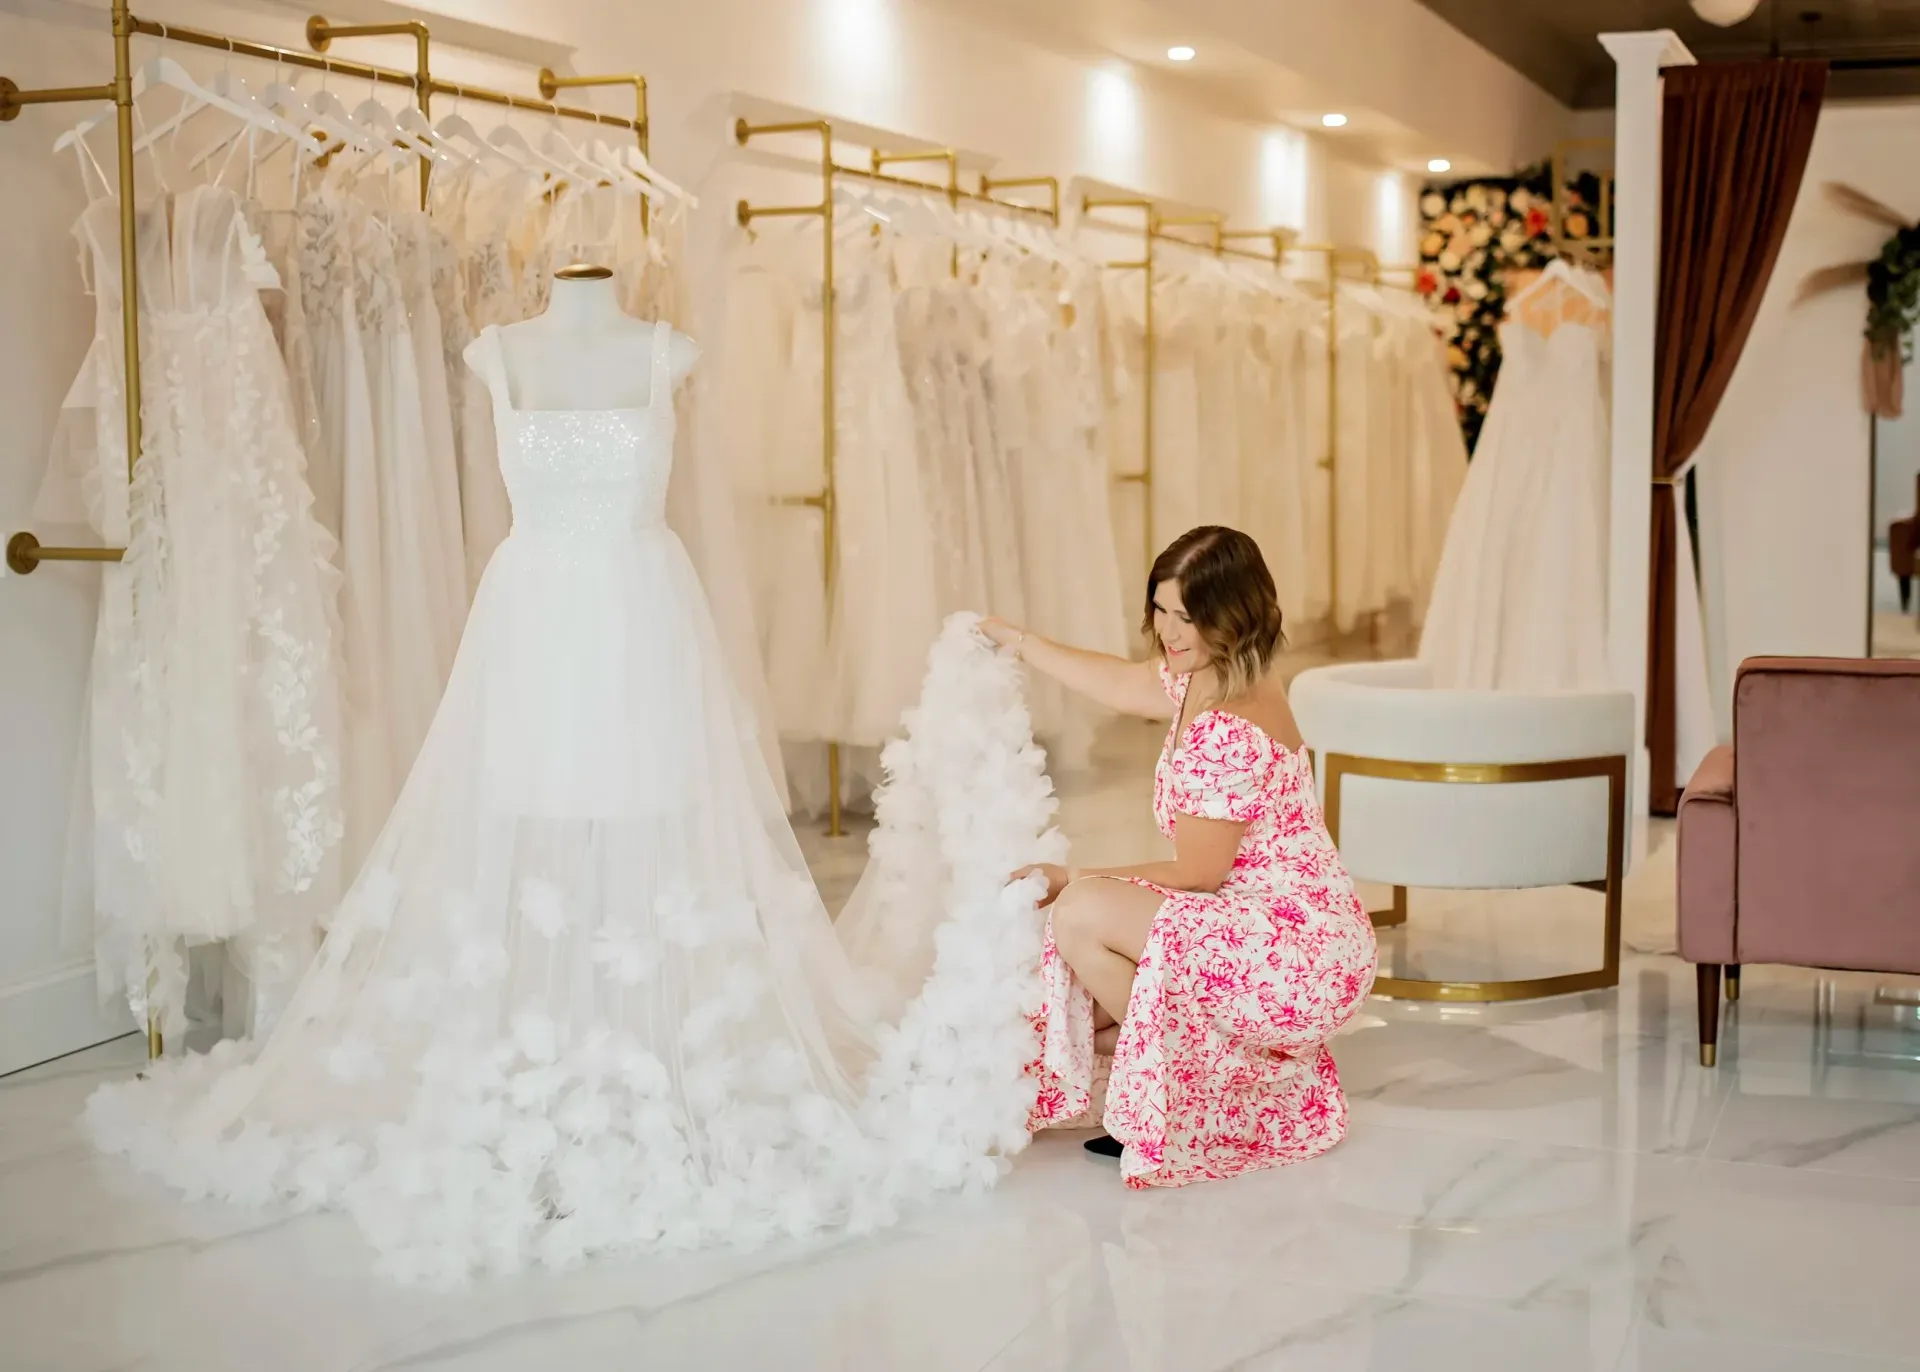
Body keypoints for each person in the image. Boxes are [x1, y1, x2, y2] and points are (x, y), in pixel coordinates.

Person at [983, 525, 1378, 1186]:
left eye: (1187, 617)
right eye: (1161, 609)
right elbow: (1119, 682)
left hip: (1298, 950)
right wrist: (1017, 641)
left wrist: (1071, 874)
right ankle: (1211, 1078)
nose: (1168, 630)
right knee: (1081, 1011)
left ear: (1231, 616)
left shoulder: (1227, 724)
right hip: (1282, 925)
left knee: (1078, 915)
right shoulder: (1215, 671)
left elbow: (1198, 874)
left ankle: (1205, 1097)